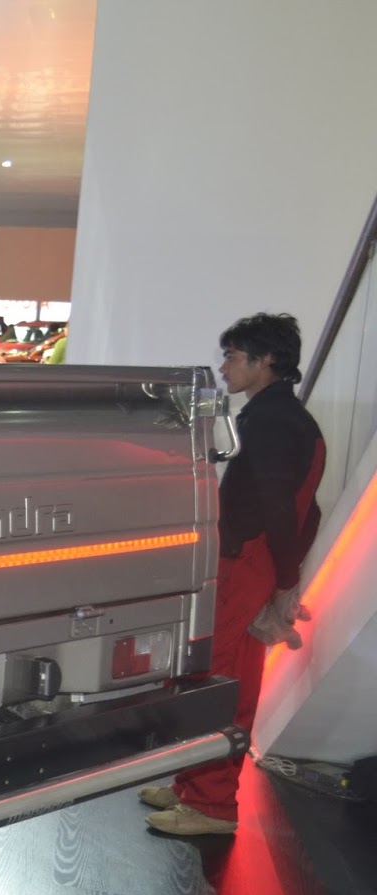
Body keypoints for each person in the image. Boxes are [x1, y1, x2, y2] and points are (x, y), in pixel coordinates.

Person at [142, 313, 325, 835]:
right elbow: (305, 510)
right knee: (214, 675)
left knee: (221, 682)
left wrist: (283, 581)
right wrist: (282, 574)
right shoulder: (279, 416)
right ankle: (193, 786)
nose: (223, 367)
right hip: (248, 560)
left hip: (247, 562)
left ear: (267, 361)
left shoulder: (272, 421)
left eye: (233, 356)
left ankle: (212, 804)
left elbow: (282, 508)